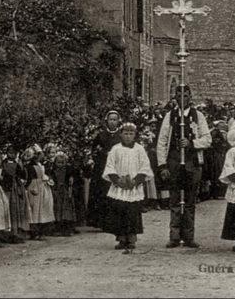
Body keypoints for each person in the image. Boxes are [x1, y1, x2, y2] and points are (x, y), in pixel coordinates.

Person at [157, 84, 211, 248]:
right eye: (179, 96)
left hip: (191, 162)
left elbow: (207, 139)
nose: (182, 99)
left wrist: (191, 143)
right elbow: (162, 141)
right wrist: (162, 165)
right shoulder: (170, 116)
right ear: (175, 97)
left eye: (186, 96)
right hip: (174, 162)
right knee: (174, 200)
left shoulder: (198, 116)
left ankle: (188, 236)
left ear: (190, 97)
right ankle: (174, 236)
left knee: (189, 200)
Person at [102, 122, 153, 253]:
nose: (128, 136)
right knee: (119, 211)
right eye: (126, 133)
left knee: (133, 212)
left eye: (131, 134)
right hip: (119, 186)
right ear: (121, 134)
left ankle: (131, 238)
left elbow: (145, 167)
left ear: (135, 135)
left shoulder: (139, 149)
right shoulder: (115, 149)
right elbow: (110, 166)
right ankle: (121, 238)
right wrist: (117, 181)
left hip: (133, 187)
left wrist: (135, 181)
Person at [87, 110, 122, 229]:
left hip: (117, 167)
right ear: (107, 121)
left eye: (115, 119)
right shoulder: (100, 135)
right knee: (102, 193)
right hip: (102, 167)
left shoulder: (121, 135)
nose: (112, 122)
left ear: (118, 121)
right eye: (110, 119)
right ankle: (101, 222)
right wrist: (102, 153)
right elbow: (94, 149)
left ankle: (115, 221)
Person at [2, 144, 31, 243]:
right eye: (10, 152)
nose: (12, 154)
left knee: (18, 210)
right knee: (10, 210)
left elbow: (23, 174)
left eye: (14, 153)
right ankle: (10, 234)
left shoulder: (18, 164)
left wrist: (22, 169)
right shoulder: (3, 163)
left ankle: (18, 232)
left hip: (17, 188)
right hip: (8, 189)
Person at [26, 144, 55, 239]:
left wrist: (47, 180)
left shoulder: (42, 165)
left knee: (42, 209)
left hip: (42, 187)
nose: (40, 156)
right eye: (38, 154)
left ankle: (41, 231)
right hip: (34, 187)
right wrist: (30, 188)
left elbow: (44, 175)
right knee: (34, 209)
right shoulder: (30, 166)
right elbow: (30, 178)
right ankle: (34, 232)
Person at [48, 151, 78, 236]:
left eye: (62, 162)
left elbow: (71, 181)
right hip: (57, 191)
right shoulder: (53, 171)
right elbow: (51, 181)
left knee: (66, 210)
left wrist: (70, 183)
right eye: (58, 162)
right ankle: (57, 228)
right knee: (57, 209)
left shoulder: (68, 170)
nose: (60, 164)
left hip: (65, 191)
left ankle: (67, 229)